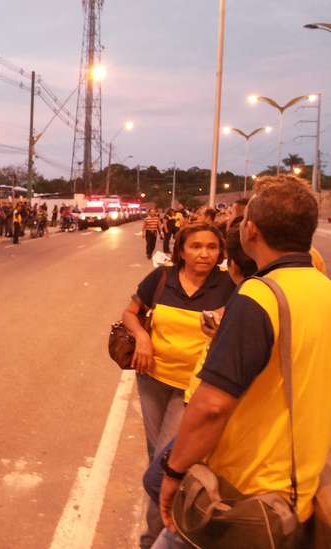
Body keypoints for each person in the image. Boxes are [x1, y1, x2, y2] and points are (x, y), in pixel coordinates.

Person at [155, 176, 331, 549]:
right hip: (299, 491)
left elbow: (212, 405)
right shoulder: (323, 289)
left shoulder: (259, 296)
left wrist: (173, 472)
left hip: (242, 499)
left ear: (251, 230)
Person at [120, 223, 235, 549]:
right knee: (156, 457)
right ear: (181, 250)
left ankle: (152, 539)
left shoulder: (229, 285)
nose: (204, 254)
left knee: (166, 465)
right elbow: (130, 313)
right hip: (153, 379)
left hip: (193, 391)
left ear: (221, 251)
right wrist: (142, 336)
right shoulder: (161, 279)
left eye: (211, 247)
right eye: (196, 246)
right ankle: (162, 531)